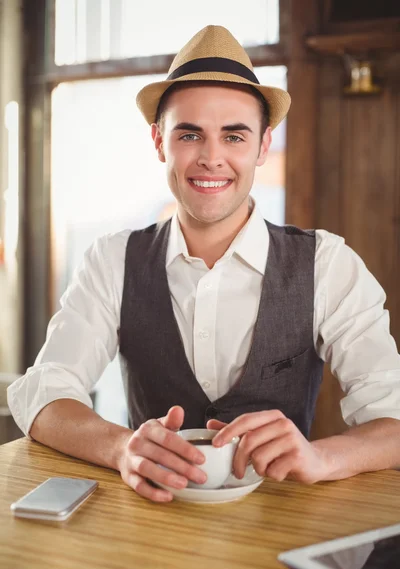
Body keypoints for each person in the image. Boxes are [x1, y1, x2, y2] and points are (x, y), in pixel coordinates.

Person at [8, 25, 400, 502]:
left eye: (234, 136)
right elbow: (43, 394)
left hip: (281, 523)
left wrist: (323, 457)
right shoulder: (113, 260)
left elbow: (393, 418)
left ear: (262, 145)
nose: (211, 158)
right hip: (152, 521)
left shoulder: (329, 264)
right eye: (190, 134)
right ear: (159, 142)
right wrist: (121, 449)